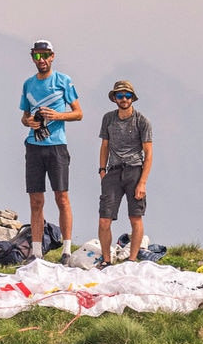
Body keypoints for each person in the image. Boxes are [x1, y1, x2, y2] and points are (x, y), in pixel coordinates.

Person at [19, 39, 82, 263]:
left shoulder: (63, 81)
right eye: (37, 56)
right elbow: (24, 116)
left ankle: (66, 250)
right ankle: (36, 252)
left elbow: (78, 113)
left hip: (56, 145)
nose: (41, 60)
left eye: (45, 55)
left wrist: (58, 116)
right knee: (36, 200)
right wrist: (29, 122)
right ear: (33, 57)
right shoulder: (28, 84)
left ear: (52, 56)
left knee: (61, 197)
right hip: (34, 146)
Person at [96, 80, 153, 266]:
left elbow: (149, 152)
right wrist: (102, 170)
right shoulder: (108, 119)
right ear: (115, 99)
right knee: (105, 218)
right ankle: (106, 260)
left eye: (127, 95)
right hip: (113, 171)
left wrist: (142, 182)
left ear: (132, 98)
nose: (124, 99)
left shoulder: (142, 121)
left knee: (135, 217)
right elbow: (104, 145)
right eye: (120, 96)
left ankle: (132, 259)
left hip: (135, 170)